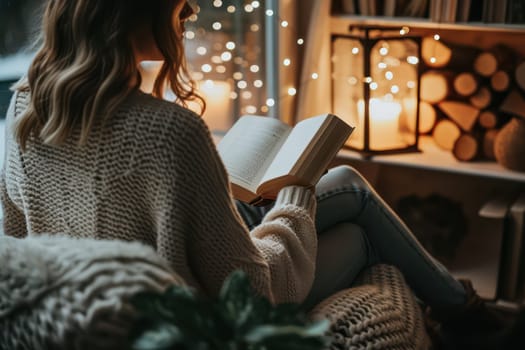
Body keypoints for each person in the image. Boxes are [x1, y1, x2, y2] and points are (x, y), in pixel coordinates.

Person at [0, 0, 512, 347]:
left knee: (350, 183)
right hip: (201, 317)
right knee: (357, 234)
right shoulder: (170, 132)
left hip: (121, 293)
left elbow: (16, 239)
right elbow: (259, 291)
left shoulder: (24, 104)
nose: (191, 11)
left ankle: (465, 313)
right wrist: (294, 198)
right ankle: (472, 319)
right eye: (182, 3)